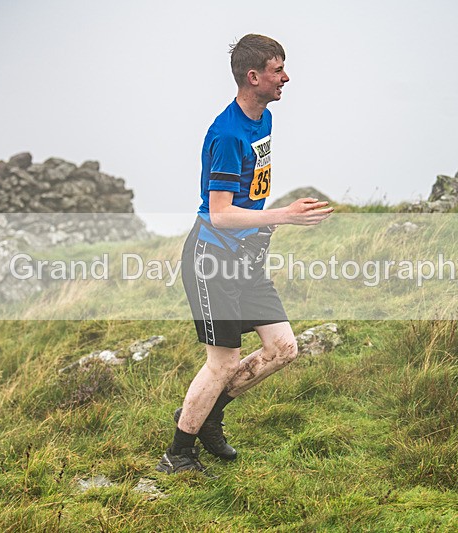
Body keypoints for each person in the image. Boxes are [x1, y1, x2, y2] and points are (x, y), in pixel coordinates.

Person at [156, 34, 333, 474]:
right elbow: (217, 214)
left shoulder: (264, 117)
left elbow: (250, 193)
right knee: (224, 362)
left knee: (283, 348)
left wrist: (270, 222)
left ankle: (209, 417)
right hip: (211, 258)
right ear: (253, 77)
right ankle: (178, 454)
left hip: (247, 260)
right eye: (277, 70)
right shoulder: (228, 134)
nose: (286, 77)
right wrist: (284, 215)